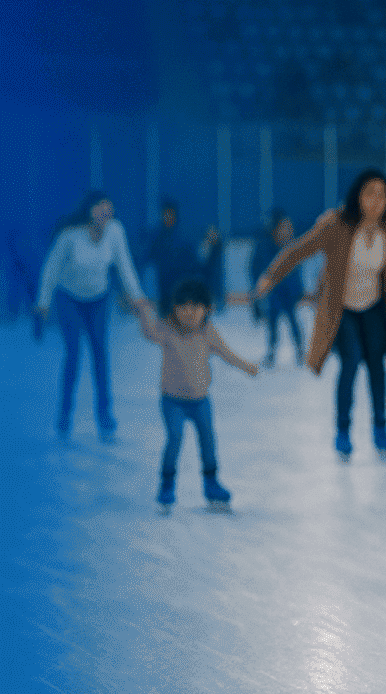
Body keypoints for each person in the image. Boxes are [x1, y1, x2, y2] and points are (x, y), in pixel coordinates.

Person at [254, 169, 386, 461]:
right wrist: (271, 275)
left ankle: (380, 429)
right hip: (341, 308)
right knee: (351, 361)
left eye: (382, 195)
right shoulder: (336, 224)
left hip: (375, 308)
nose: (376, 201)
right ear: (357, 196)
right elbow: (300, 248)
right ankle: (343, 431)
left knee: (378, 368)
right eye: (370, 193)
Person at [37, 190, 153, 440]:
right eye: (100, 208)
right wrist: (42, 305)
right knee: (74, 355)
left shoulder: (115, 231)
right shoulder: (70, 236)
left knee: (100, 355)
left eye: (109, 209)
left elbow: (125, 265)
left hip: (99, 299)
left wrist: (138, 298)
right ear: (89, 211)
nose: (105, 213)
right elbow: (51, 268)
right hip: (69, 298)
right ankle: (64, 416)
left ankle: (105, 418)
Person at [135, 278, 258, 513]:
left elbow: (225, 353)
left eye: (195, 307)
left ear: (206, 309)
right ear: (174, 309)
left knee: (208, 441)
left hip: (201, 401)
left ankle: (211, 483)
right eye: (183, 307)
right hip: (173, 402)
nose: (189, 313)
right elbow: (149, 332)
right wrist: (142, 311)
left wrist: (246, 366)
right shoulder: (168, 330)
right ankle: (167, 484)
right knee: (175, 437)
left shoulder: (208, 331)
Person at [251, 210, 305, 367]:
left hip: (288, 292)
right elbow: (256, 268)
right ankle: (272, 351)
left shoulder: (291, 245)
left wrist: (298, 289)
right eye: (283, 227)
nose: (287, 230)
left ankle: (300, 349)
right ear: (275, 228)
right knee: (273, 322)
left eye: (288, 227)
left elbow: (296, 269)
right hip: (273, 292)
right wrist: (259, 289)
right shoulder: (264, 245)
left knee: (293, 320)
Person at [144, 200, 197, 318]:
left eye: (170, 214)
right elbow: (149, 258)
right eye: (165, 214)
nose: (167, 217)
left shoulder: (185, 236)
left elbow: (193, 264)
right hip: (164, 289)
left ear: (176, 215)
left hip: (182, 289)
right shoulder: (157, 236)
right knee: (166, 320)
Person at [198, 225, 225, 312]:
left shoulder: (221, 248)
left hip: (219, 286)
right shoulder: (205, 246)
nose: (212, 236)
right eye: (210, 234)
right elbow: (201, 260)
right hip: (207, 284)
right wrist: (207, 244)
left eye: (214, 233)